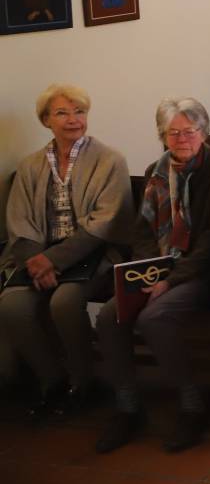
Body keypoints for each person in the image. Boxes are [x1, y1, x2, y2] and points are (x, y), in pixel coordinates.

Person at [96, 98, 210, 454]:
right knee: (108, 316)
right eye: (173, 132)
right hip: (160, 268)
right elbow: (143, 231)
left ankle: (192, 404)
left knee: (155, 317)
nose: (182, 139)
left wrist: (169, 279)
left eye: (189, 131)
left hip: (204, 271)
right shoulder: (157, 170)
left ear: (204, 132)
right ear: (162, 136)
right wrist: (147, 272)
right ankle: (128, 405)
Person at [0, 84, 133, 420]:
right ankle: (52, 381)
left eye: (79, 112)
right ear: (46, 120)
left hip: (93, 255)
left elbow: (104, 224)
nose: (73, 120)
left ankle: (83, 382)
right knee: (12, 306)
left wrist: (54, 261)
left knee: (64, 302)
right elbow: (18, 220)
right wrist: (37, 261)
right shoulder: (30, 166)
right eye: (62, 113)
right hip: (36, 257)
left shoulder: (110, 160)